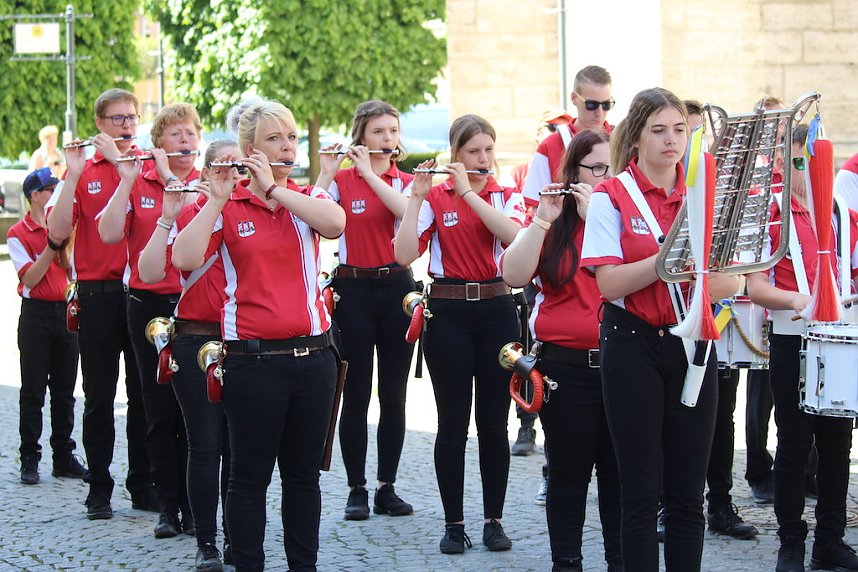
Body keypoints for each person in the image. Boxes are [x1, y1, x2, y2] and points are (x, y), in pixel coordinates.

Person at [172, 96, 345, 572]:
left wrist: (277, 190)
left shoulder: (309, 198)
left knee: (303, 478)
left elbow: (335, 224)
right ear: (251, 150)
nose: (288, 145)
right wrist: (218, 198)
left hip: (314, 359)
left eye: (291, 136)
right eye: (274, 139)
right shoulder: (228, 205)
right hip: (252, 361)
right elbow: (184, 259)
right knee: (248, 481)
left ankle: (302, 567)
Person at [581, 87, 739, 572]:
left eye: (680, 131)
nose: (673, 140)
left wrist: (704, 277)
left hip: (693, 344)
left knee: (689, 491)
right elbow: (608, 284)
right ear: (636, 139)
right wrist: (669, 261)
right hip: (632, 343)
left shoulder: (704, 193)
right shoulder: (612, 196)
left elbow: (733, 279)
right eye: (659, 130)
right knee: (640, 490)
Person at [394, 114, 525, 555]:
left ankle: (494, 520)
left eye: (489, 149)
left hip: (497, 308)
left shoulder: (505, 195)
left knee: (494, 423)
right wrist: (415, 197)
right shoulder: (436, 197)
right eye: (473, 152)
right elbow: (405, 254)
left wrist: (471, 192)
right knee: (451, 423)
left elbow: (515, 238)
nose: (483, 158)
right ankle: (454, 523)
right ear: (456, 155)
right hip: (447, 311)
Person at [501, 130, 622, 572]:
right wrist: (542, 219)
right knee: (568, 475)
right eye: (595, 168)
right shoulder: (553, 220)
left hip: (622, 364)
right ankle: (566, 563)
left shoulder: (624, 215)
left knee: (619, 476)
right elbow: (513, 274)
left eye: (611, 168)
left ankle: (619, 561)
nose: (603, 177)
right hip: (565, 369)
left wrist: (602, 219)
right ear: (573, 173)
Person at [747, 124, 858, 572]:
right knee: (794, 442)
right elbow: (755, 286)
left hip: (840, 337)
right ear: (781, 163)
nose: (807, 170)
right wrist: (797, 300)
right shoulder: (772, 215)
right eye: (797, 162)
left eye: (814, 161)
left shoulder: (841, 212)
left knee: (838, 444)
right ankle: (790, 540)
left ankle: (829, 540)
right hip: (794, 337)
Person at [46, 88, 155, 520]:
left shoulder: (149, 164)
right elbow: (56, 235)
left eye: (132, 117)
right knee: (98, 396)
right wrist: (71, 177)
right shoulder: (83, 169)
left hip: (144, 292)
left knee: (145, 394)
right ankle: (99, 487)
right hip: (98, 293)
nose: (127, 126)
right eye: (117, 119)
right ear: (99, 125)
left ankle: (143, 483)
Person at [98, 103, 202, 539]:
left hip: (196, 305)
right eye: (176, 134)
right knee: (156, 407)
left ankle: (198, 504)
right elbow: (107, 233)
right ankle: (168, 505)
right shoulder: (137, 179)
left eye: (191, 133)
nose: (186, 140)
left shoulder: (206, 183)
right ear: (158, 144)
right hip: (148, 304)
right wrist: (128, 181)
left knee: (196, 409)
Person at [138, 139, 241, 570]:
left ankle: (239, 535)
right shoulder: (192, 211)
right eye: (225, 168)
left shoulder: (259, 210)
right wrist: (167, 216)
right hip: (196, 337)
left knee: (240, 449)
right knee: (206, 444)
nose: (233, 176)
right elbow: (149, 273)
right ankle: (207, 541)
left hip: (244, 341)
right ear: (207, 173)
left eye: (241, 168)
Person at [312, 100, 417, 521]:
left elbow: (406, 212)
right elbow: (318, 221)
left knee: (394, 394)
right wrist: (324, 169)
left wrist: (373, 175)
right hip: (353, 289)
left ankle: (386, 486)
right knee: (354, 393)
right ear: (361, 137)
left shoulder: (407, 181)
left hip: (397, 287)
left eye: (393, 131)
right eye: (379, 132)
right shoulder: (341, 181)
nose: (388, 139)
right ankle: (356, 487)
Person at [8, 167, 84, 485]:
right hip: (36, 314)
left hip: (66, 311)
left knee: (65, 392)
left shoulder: (67, 227)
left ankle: (63, 456)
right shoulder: (18, 233)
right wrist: (51, 245)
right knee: (33, 390)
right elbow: (30, 278)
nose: (56, 193)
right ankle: (30, 457)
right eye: (51, 189)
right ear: (35, 195)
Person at [521, 65, 615, 206]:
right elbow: (535, 207)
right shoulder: (550, 145)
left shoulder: (621, 141)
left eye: (606, 104)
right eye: (591, 105)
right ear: (574, 98)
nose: (600, 112)